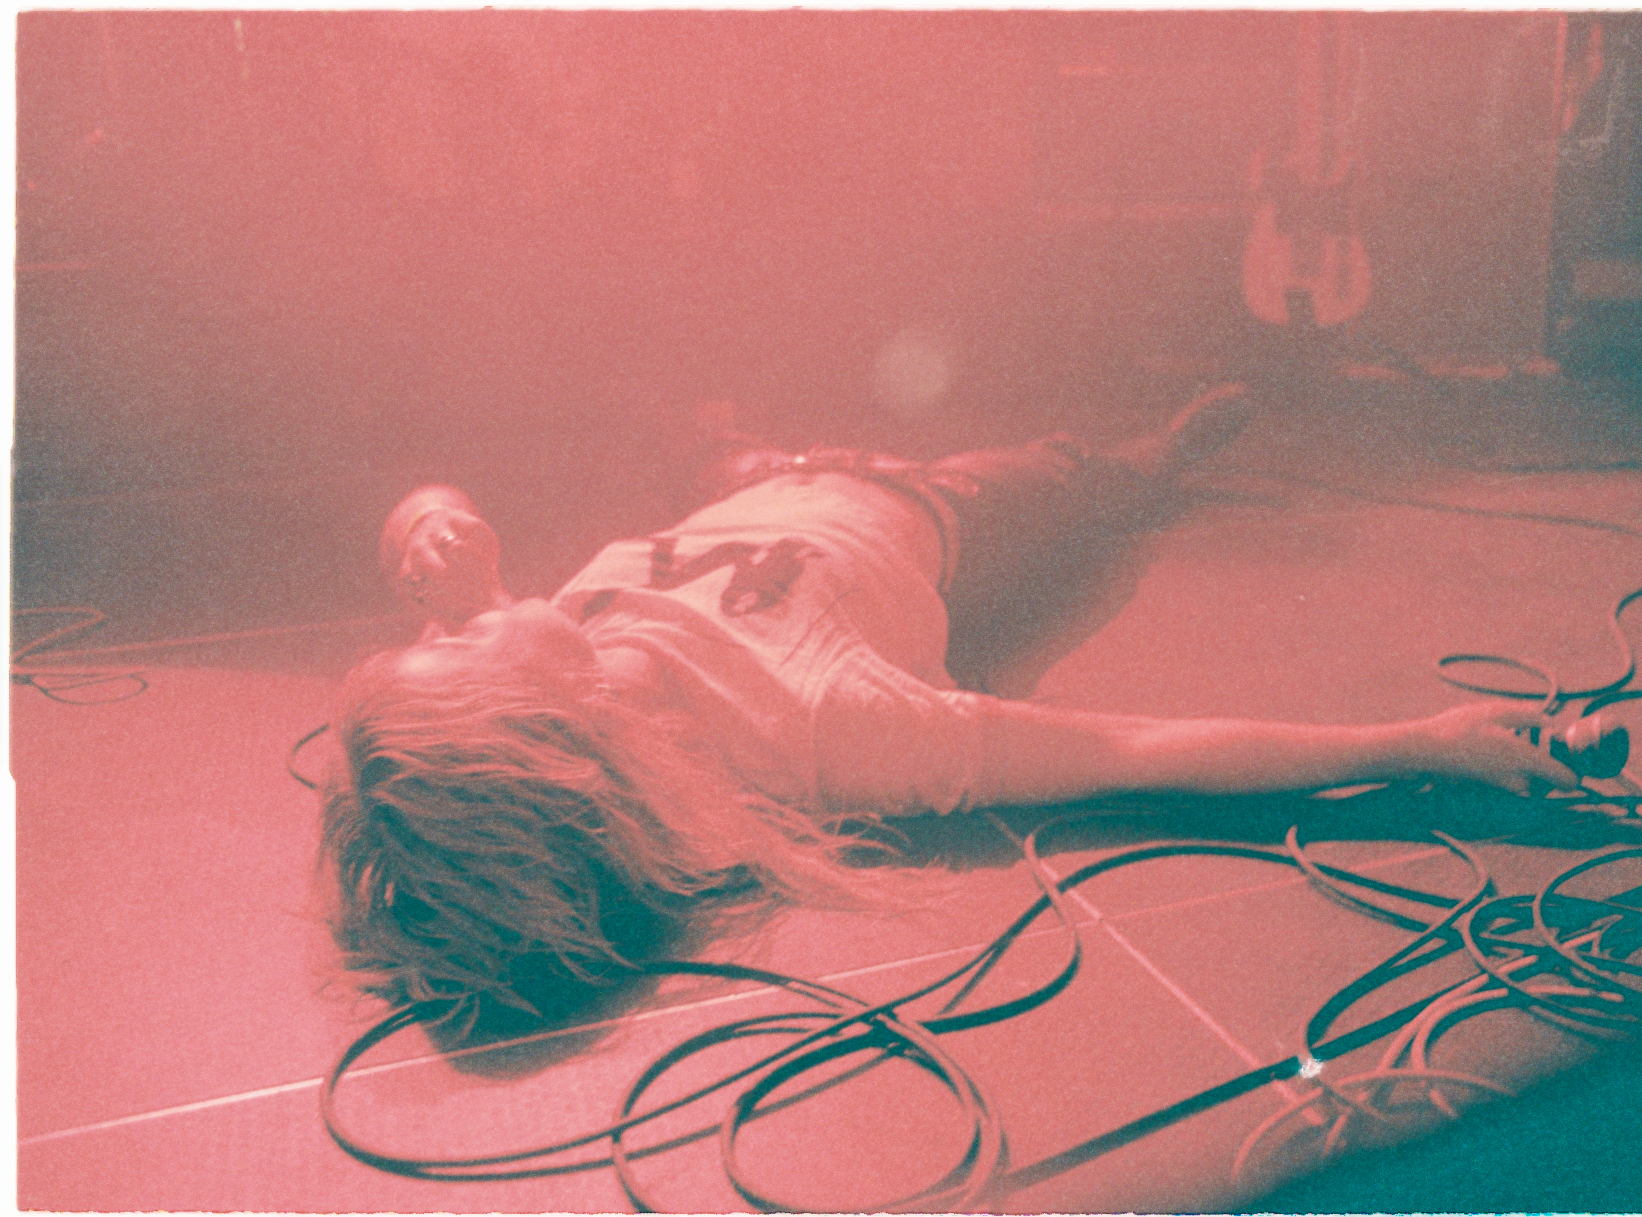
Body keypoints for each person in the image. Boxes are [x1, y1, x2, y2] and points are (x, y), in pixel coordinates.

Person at [319, 390, 1578, 1028]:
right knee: (1086, 479)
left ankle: (724, 440)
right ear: (564, 728)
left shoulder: (549, 667)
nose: (455, 621)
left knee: (700, 441)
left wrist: (424, 522)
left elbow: (429, 539)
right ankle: (1163, 449)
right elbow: (1130, 748)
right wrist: (1419, 742)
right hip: (942, 507)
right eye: (464, 641)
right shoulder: (827, 725)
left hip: (759, 487)